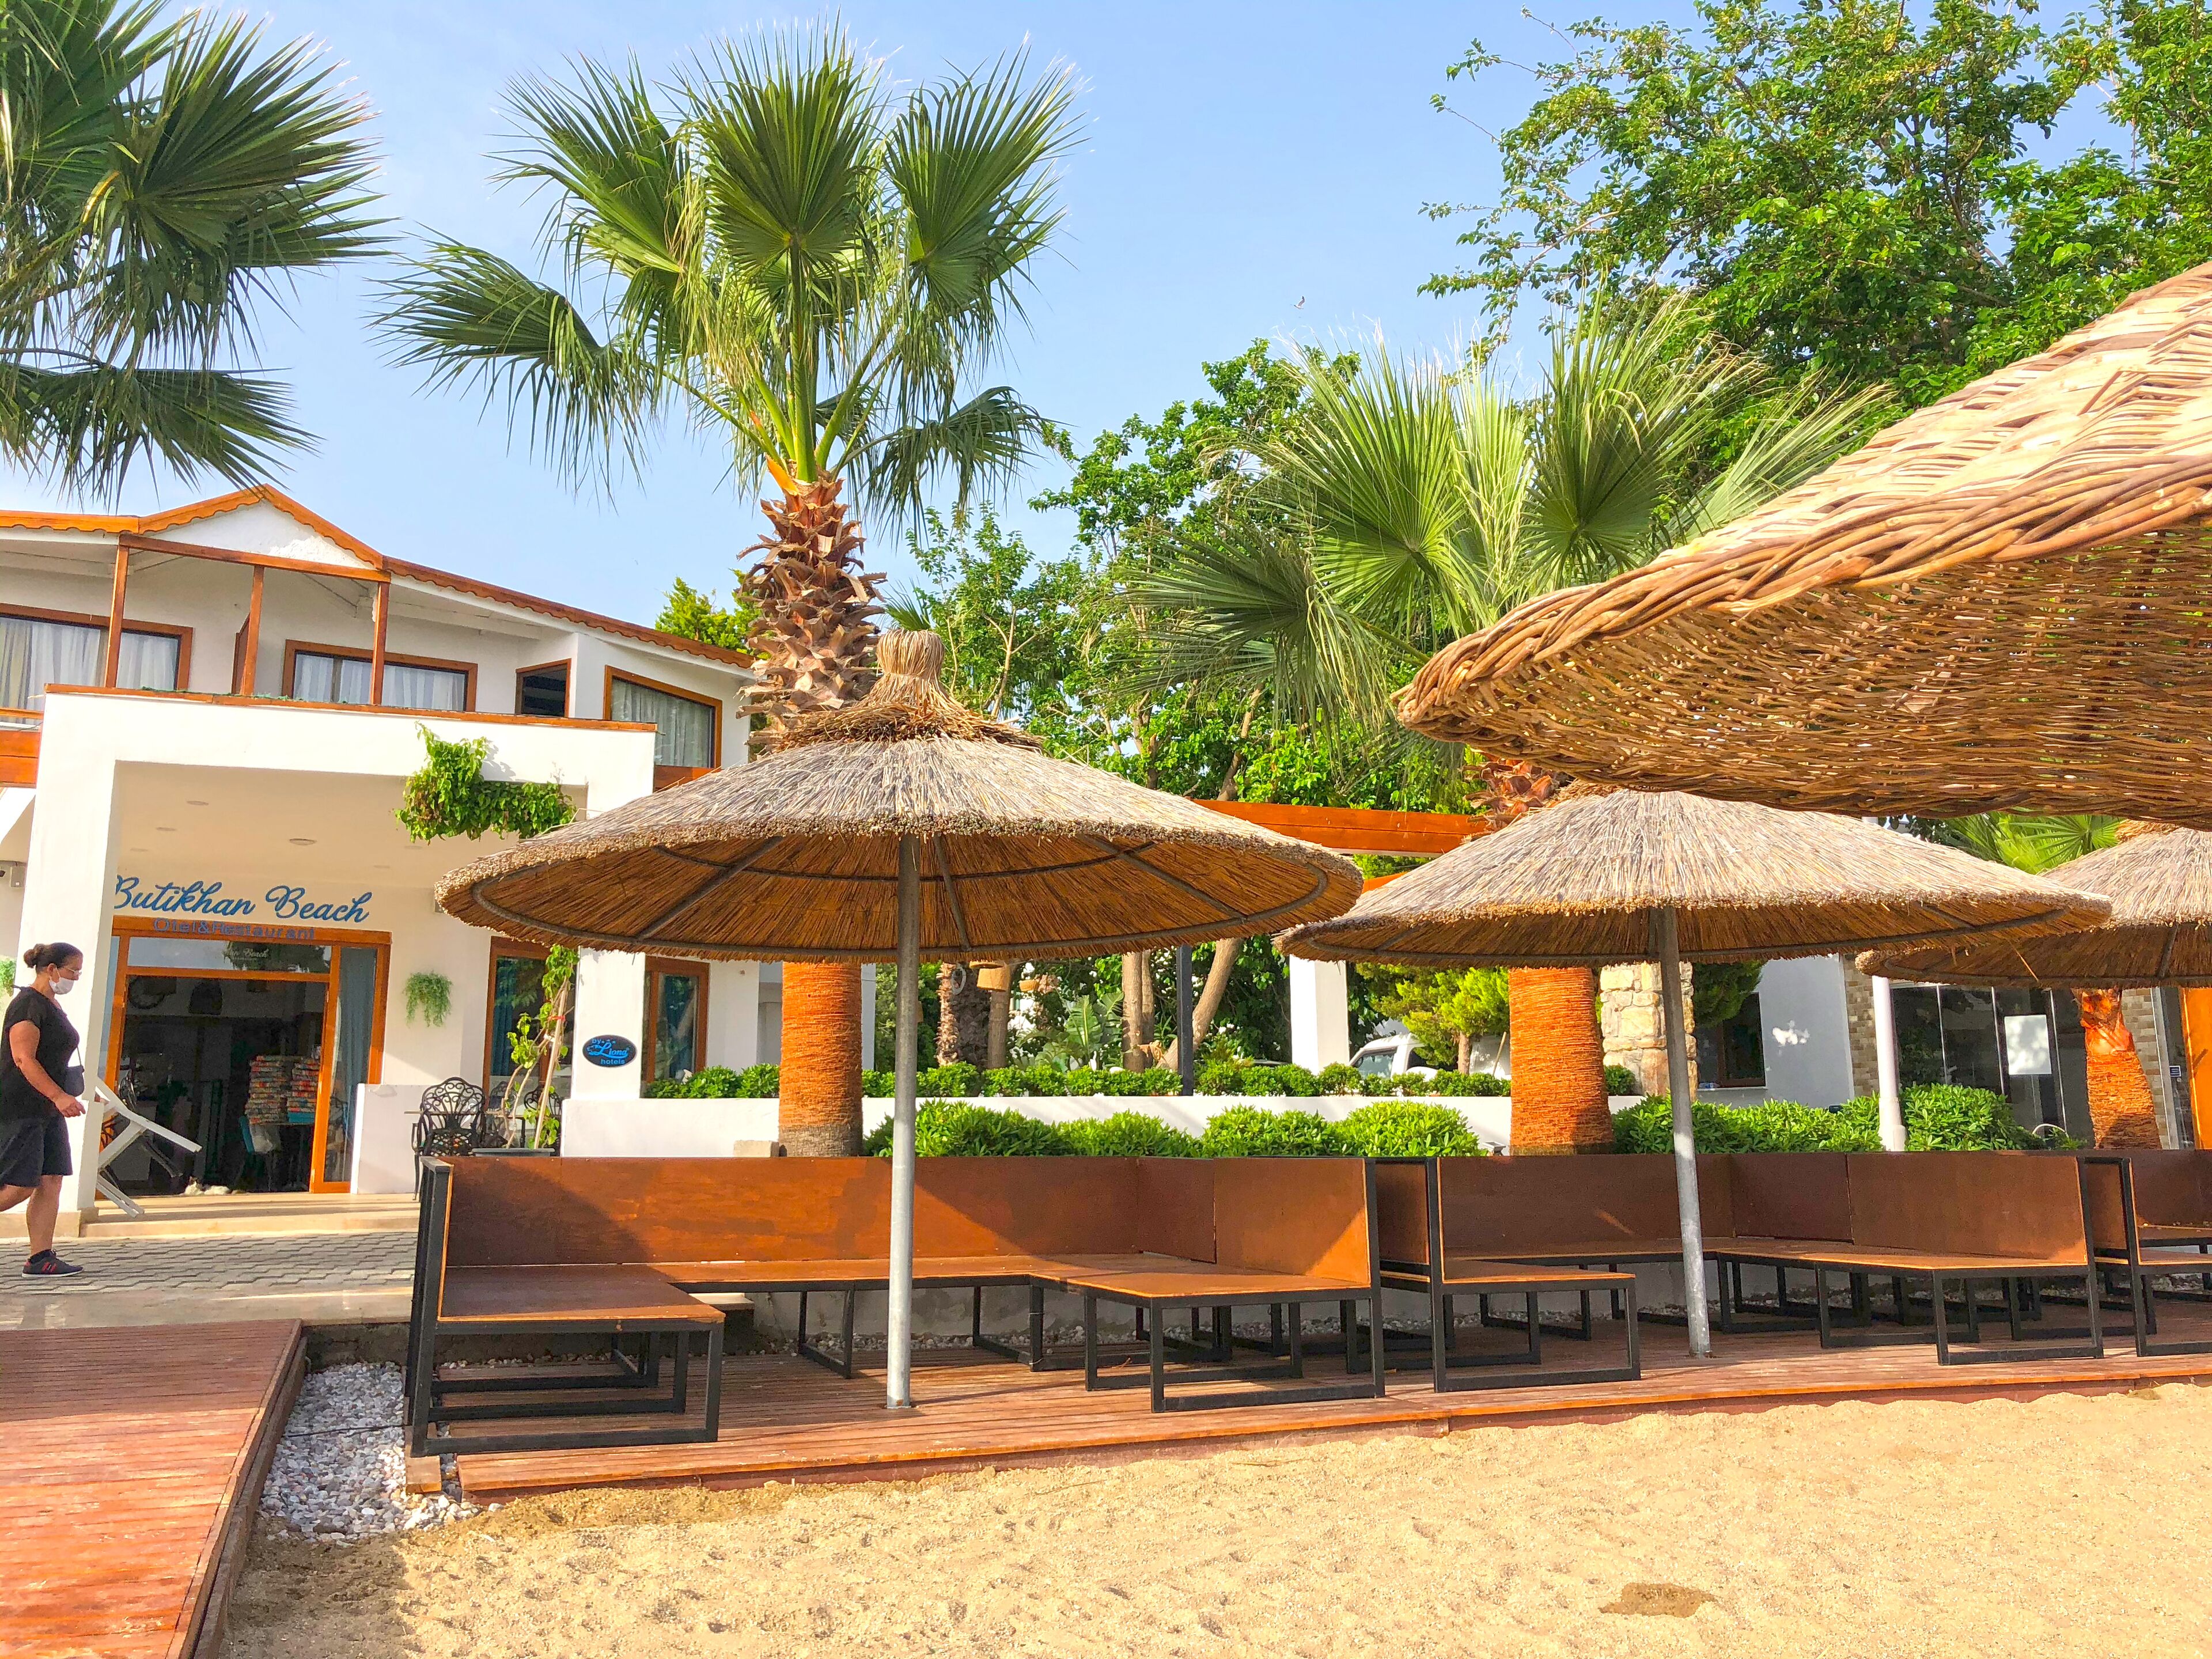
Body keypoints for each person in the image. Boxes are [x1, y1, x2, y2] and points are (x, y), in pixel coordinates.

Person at [2, 942, 88, 1275]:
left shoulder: (52, 1006)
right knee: (20, 1183)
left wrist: (70, 1092)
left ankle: (40, 1258)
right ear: (51, 969)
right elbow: (23, 1058)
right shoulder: (27, 1005)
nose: (76, 979)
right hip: (22, 1106)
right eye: (72, 972)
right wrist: (58, 1096)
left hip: (48, 1108)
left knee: (51, 1179)